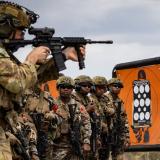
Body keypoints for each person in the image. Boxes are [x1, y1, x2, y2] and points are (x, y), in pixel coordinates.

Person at [0, 1, 86, 159]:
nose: (22, 36)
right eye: (19, 30)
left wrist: (64, 55)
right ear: (5, 27)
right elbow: (18, 82)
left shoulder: (5, 55)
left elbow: (31, 79)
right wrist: (31, 58)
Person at [52, 76, 91, 160]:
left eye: (69, 87)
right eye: (63, 87)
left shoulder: (79, 106)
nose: (66, 89)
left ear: (72, 89)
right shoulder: (52, 105)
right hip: (58, 146)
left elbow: (87, 123)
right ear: (58, 89)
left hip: (76, 145)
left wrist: (86, 142)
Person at [90, 76, 115, 160]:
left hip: (106, 133)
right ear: (93, 88)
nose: (102, 90)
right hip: (95, 133)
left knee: (105, 156)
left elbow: (112, 110)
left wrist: (108, 110)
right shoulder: (90, 98)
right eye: (99, 88)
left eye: (104, 88)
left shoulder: (106, 98)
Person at [106, 78, 130, 160]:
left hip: (118, 133)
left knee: (119, 157)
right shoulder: (103, 98)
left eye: (119, 86)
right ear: (109, 86)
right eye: (115, 86)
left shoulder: (120, 101)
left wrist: (127, 136)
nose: (117, 88)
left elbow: (125, 119)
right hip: (106, 133)